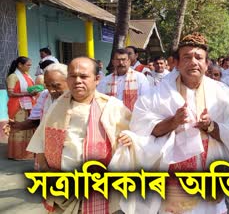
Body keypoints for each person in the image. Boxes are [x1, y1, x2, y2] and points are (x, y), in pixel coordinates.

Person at [119, 32, 229, 214]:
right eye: (187, 57)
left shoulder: (222, 93)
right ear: (175, 62)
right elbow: (141, 129)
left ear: (206, 63)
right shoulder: (156, 95)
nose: (193, 62)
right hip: (174, 176)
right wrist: (173, 122)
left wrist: (212, 127)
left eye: (199, 57)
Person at [26, 57, 133, 213]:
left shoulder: (112, 106)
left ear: (97, 79)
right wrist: (44, 170)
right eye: (72, 76)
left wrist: (130, 138)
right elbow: (41, 141)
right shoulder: (56, 106)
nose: (77, 81)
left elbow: (134, 136)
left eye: (83, 76)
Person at [3, 63, 69, 135]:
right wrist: (19, 126)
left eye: (56, 86)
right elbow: (36, 120)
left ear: (68, 81)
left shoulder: (76, 97)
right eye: (47, 86)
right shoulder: (45, 95)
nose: (51, 90)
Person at [6, 56, 36, 160]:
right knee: (19, 129)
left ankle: (27, 154)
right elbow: (11, 93)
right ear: (20, 65)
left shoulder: (27, 76)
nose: (29, 67)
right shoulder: (13, 76)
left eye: (30, 65)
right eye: (28, 65)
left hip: (28, 106)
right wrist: (27, 94)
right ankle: (17, 154)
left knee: (28, 128)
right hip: (18, 107)